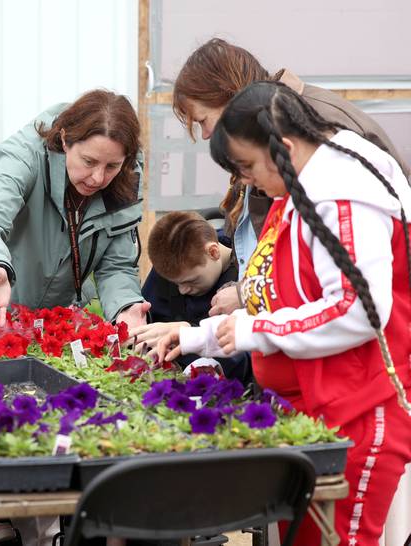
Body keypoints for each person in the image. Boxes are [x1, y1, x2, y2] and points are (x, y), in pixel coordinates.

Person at [156, 81, 411, 546]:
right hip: (315, 414)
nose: (246, 181)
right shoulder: (296, 191)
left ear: (285, 147)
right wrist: (198, 336)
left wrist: (256, 330)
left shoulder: (340, 194)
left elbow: (359, 310)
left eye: (248, 166)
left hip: (355, 412)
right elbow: (270, 297)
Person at [171, 38, 410, 316]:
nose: (206, 135)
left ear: (227, 95)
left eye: (202, 120)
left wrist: (246, 297)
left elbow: (342, 295)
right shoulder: (260, 131)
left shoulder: (314, 130)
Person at [0, 89, 150, 331]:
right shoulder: (22, 156)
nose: (97, 178)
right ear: (65, 140)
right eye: (89, 161)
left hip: (52, 319)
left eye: (112, 166)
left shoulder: (125, 179)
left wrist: (126, 307)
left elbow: (116, 264)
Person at [138, 211, 251, 383]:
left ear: (213, 252)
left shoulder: (246, 282)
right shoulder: (173, 265)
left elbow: (241, 358)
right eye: (175, 283)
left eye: (191, 281)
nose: (182, 290)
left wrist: (189, 332)